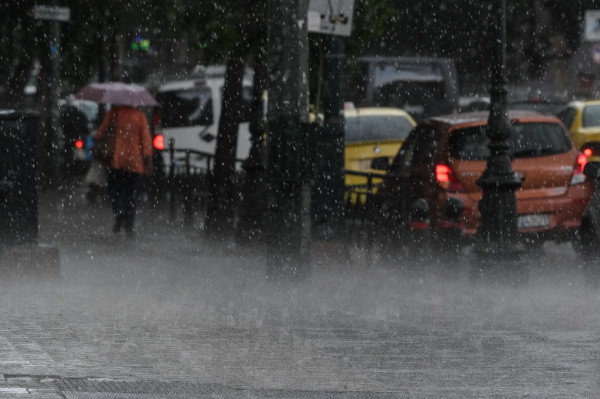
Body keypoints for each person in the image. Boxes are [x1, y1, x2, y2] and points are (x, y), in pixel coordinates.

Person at [95, 105, 153, 235]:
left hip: (115, 160)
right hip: (134, 162)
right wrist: (148, 160)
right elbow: (146, 140)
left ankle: (119, 212)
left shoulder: (113, 114)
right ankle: (130, 224)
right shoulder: (140, 116)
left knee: (113, 190)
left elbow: (100, 133)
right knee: (130, 193)